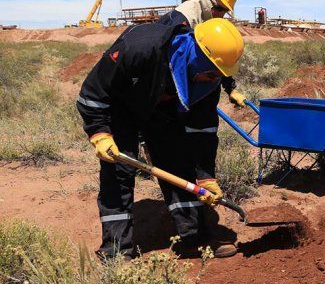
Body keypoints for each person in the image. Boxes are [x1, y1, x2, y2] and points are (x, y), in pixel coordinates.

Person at [76, 18, 245, 260]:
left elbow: (203, 130)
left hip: (160, 107)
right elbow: (92, 94)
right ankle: (115, 251)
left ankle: (193, 239)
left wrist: (206, 176)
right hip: (120, 107)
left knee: (177, 162)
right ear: (197, 57)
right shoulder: (140, 47)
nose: (214, 79)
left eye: (219, 75)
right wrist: (99, 132)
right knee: (119, 172)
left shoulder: (209, 80)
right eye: (211, 73)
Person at [157, 0, 248, 109]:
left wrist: (230, 87)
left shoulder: (209, 18)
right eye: (221, 9)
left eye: (225, 11)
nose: (222, 16)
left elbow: (217, 58)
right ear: (211, 4)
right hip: (170, 89)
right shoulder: (184, 21)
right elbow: (172, 64)